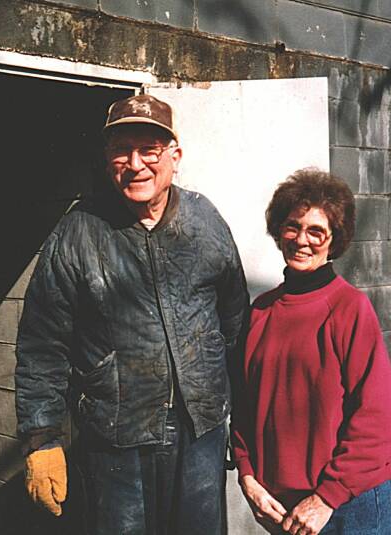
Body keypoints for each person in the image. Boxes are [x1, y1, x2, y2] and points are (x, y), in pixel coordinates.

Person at [15, 94, 249, 534]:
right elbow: (41, 343)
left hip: (200, 430)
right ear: (107, 159)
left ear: (174, 157)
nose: (136, 163)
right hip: (115, 436)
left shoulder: (206, 221)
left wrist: (241, 419)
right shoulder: (79, 230)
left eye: (150, 150)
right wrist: (42, 436)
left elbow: (234, 322)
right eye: (122, 150)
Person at [231, 168, 391, 535]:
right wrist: (247, 477)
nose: (301, 240)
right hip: (283, 508)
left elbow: (379, 423)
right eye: (292, 227)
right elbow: (244, 406)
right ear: (278, 231)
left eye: (316, 231)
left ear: (333, 240)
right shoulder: (261, 311)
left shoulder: (349, 309)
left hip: (348, 506)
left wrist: (326, 498)